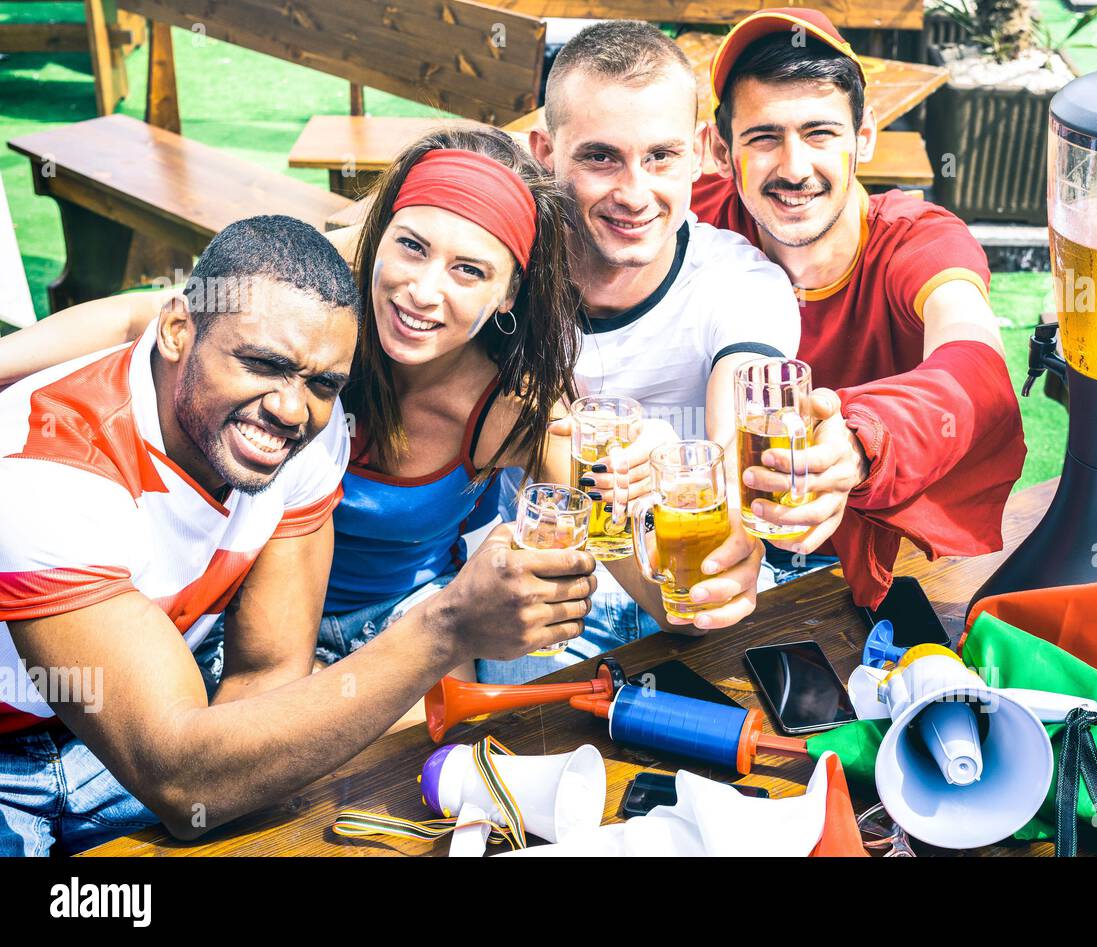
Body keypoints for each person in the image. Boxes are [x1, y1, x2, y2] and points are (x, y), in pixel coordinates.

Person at [0, 216, 597, 855]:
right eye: (261, 363)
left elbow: (267, 673)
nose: (290, 409)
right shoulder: (46, 473)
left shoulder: (307, 432)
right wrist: (446, 624)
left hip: (150, 722)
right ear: (178, 330)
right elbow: (182, 782)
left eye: (321, 384)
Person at [478, 19, 827, 683]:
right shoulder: (503, 278)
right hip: (552, 587)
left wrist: (699, 484)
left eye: (661, 157)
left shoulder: (743, 282)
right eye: (601, 157)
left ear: (700, 150)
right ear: (546, 151)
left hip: (694, 561)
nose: (635, 193)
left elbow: (741, 423)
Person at [691, 7, 1028, 607]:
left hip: (868, 573)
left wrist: (859, 439)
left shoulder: (918, 239)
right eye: (764, 138)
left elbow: (975, 365)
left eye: (819, 132)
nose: (794, 168)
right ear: (721, 151)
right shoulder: (691, 218)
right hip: (710, 547)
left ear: (864, 137)